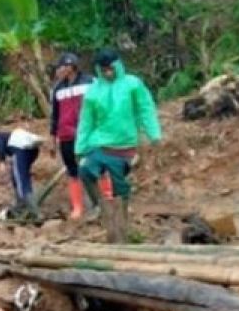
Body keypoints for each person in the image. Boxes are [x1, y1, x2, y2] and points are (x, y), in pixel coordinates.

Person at [74, 48, 161, 242]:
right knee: (86, 171)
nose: (108, 73)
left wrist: (154, 134)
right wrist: (79, 148)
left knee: (120, 187)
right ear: (98, 70)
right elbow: (86, 122)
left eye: (110, 69)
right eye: (103, 70)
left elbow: (146, 109)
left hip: (124, 146)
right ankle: (102, 208)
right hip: (98, 143)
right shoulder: (93, 92)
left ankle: (122, 229)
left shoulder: (132, 85)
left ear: (118, 66)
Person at [49, 52, 93, 220]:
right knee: (72, 171)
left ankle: (105, 200)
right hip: (66, 135)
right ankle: (77, 208)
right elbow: (55, 116)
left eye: (61, 67)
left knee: (94, 168)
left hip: (86, 134)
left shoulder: (89, 82)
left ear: (70, 66)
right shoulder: (58, 89)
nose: (59, 71)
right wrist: (53, 139)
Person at [0, 129, 41, 222]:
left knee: (21, 181)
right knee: (19, 177)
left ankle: (34, 213)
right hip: (33, 149)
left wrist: (1, 161)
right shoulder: (6, 137)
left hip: (21, 148)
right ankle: (21, 204)